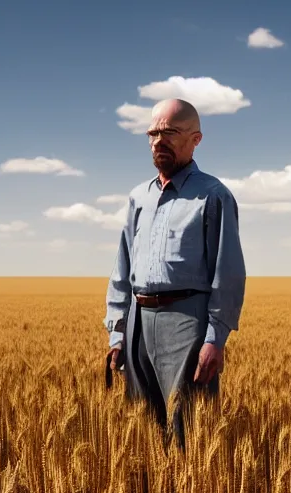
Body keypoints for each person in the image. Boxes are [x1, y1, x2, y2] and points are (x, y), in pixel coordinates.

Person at [103, 98, 246, 450]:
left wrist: (214, 339)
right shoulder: (139, 197)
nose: (158, 140)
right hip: (138, 318)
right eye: (153, 132)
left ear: (195, 139)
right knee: (142, 435)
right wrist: (117, 333)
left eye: (170, 132)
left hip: (186, 318)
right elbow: (123, 268)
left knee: (188, 431)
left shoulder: (213, 195)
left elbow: (227, 274)